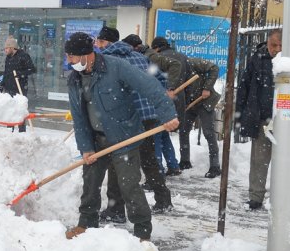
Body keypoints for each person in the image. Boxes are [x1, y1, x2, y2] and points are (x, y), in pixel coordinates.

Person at [63, 32, 179, 242]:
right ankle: (86, 224)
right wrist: (86, 147)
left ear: (87, 54)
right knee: (90, 184)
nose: (69, 61)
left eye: (72, 56)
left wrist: (168, 114)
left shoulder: (115, 67)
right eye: (68, 56)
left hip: (124, 137)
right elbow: (79, 117)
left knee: (129, 186)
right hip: (96, 140)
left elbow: (149, 86)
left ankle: (142, 232)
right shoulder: (74, 79)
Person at [95, 26, 177, 221]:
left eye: (99, 42)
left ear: (106, 43)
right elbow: (159, 80)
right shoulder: (140, 57)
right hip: (149, 116)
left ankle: (115, 210)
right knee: (149, 160)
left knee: (118, 161)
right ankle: (163, 199)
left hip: (127, 118)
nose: (97, 46)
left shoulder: (107, 61)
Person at [236, 29, 281, 210]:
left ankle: (280, 198)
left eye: (280, 46)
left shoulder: (288, 63)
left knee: (283, 161)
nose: (277, 49)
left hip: (285, 121)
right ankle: (256, 197)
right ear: (267, 43)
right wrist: (241, 114)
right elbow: (244, 87)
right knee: (258, 160)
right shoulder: (257, 59)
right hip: (263, 120)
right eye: (273, 45)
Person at [151, 36, 194, 170]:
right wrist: (186, 99)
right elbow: (189, 78)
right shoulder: (183, 56)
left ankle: (158, 169)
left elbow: (152, 79)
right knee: (164, 133)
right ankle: (173, 165)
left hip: (163, 98)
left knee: (156, 134)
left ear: (157, 47)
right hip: (179, 98)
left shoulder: (158, 58)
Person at [184, 57, 222, 178]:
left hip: (204, 101)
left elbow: (214, 68)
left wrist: (206, 88)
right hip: (188, 103)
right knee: (183, 131)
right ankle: (184, 162)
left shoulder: (191, 62)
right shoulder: (172, 70)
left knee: (208, 133)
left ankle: (215, 166)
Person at [0, 37, 36, 132]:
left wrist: (20, 74)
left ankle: (21, 131)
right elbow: (6, 72)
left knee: (20, 110)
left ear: (12, 48)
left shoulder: (24, 56)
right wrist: (2, 84)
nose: (5, 50)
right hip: (9, 87)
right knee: (9, 110)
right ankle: (9, 130)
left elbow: (32, 69)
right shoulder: (8, 58)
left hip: (20, 87)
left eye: (7, 48)